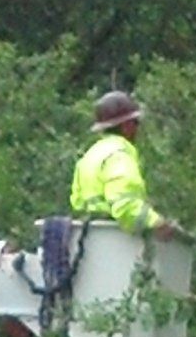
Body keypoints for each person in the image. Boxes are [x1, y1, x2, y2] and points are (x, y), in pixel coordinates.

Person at [70, 90, 181, 240]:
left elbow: (77, 203)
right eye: (136, 123)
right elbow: (125, 205)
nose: (138, 128)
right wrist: (157, 223)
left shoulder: (90, 155)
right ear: (126, 126)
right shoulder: (119, 156)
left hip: (89, 239)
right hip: (115, 241)